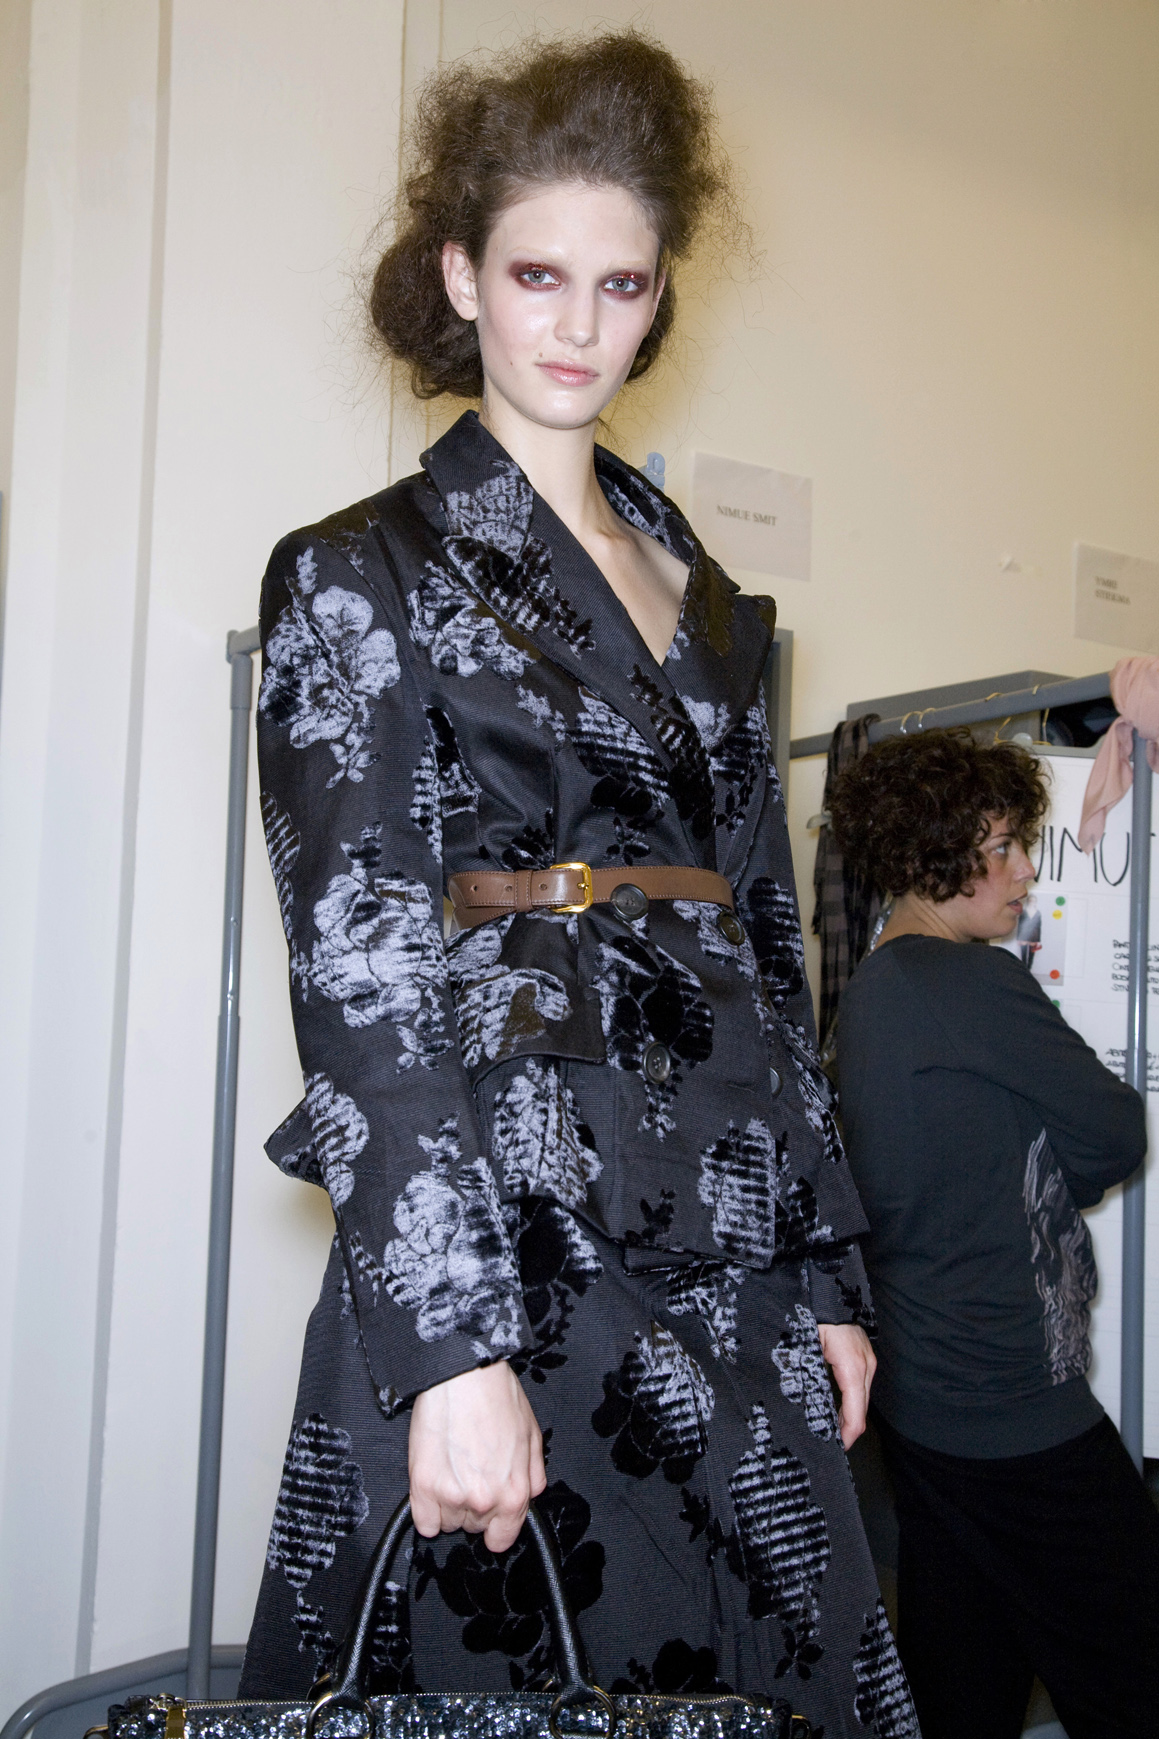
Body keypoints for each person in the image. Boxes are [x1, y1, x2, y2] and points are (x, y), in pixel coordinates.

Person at [238, 32, 917, 1736]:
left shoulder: (720, 606)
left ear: (656, 295)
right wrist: (447, 1346)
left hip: (734, 1231)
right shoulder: (358, 569)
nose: (575, 324)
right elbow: (361, 967)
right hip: (506, 1221)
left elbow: (766, 945)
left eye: (619, 284)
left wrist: (826, 1273)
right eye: (536, 274)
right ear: (459, 275)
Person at [832, 727, 1159, 1739]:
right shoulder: (971, 982)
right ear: (934, 857)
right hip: (1013, 1401)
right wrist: (1049, 1170)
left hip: (923, 1396)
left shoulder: (871, 989)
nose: (1024, 871)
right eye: (1003, 848)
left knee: (963, 1669)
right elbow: (1116, 1130)